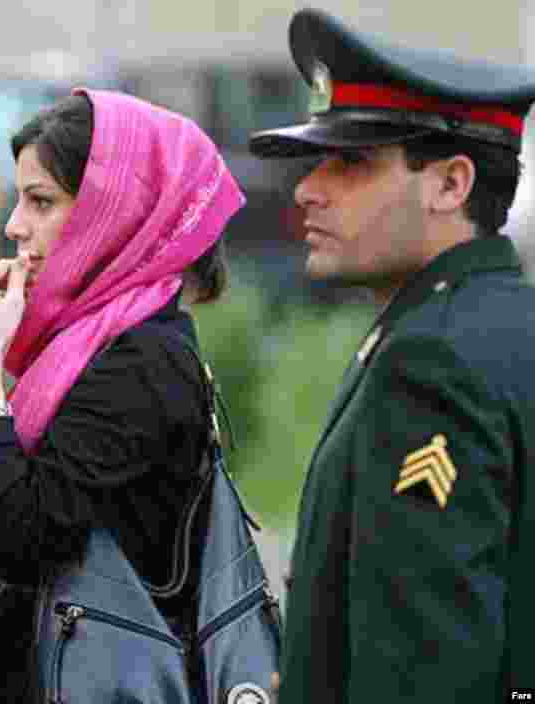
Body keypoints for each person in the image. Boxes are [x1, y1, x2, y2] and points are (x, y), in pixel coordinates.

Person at [0, 88, 246, 701]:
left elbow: (26, 538)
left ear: (117, 213)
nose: (13, 225)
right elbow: (71, 533)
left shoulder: (142, 362)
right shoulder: (94, 345)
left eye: (41, 201)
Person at [248, 8, 535, 702]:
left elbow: (421, 675)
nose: (307, 188)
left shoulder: (429, 363)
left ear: (450, 185)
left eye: (350, 162)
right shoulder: (504, 323)